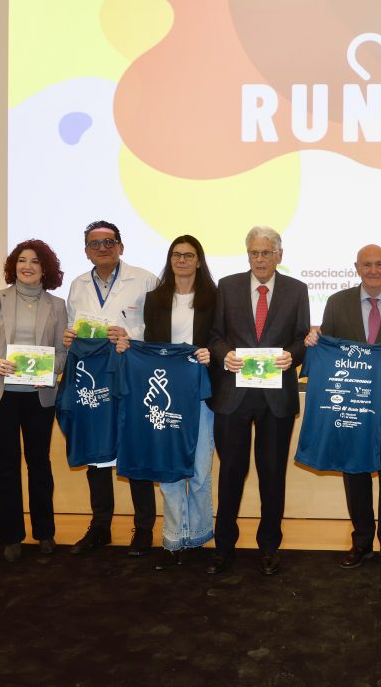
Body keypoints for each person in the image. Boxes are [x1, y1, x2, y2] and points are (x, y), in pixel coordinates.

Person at [307, 244, 381, 569]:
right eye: (367, 264)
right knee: (355, 476)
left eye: (379, 264)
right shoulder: (336, 303)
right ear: (356, 267)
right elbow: (328, 349)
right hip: (351, 409)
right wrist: (314, 342)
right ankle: (361, 542)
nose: (373, 270)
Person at [207, 226, 310, 576]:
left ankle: (269, 546)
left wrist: (292, 356)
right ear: (248, 254)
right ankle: (224, 546)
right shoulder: (227, 286)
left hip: (276, 398)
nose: (260, 259)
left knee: (272, 475)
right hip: (233, 396)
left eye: (267, 252)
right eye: (254, 253)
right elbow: (215, 336)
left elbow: (302, 339)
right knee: (230, 474)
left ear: (279, 255)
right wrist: (225, 355)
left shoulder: (297, 290)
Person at [61, 221, 159, 556]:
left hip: (132, 375)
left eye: (109, 241)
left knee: (135, 449)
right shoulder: (77, 285)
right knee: (97, 453)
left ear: (121, 246)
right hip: (94, 379)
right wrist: (69, 336)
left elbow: (158, 327)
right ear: (86, 251)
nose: (102, 248)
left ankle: (143, 529)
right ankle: (100, 527)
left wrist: (131, 334)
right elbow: (73, 326)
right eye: (95, 243)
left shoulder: (145, 280)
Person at [0, 240, 68, 563]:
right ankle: (11, 536)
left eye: (35, 261)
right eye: (22, 260)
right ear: (14, 265)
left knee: (40, 463)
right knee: (7, 465)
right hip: (1, 396)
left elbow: (63, 353)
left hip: (39, 397)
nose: (28, 266)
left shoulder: (57, 305)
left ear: (45, 269)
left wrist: (49, 370)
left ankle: (45, 533)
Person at [142, 235, 217, 569]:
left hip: (201, 393)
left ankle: (198, 535)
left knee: (200, 469)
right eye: (176, 254)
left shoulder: (215, 298)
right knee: (170, 468)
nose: (182, 260)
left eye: (188, 255)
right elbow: (148, 344)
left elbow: (221, 341)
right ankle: (174, 538)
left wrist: (211, 354)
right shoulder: (155, 299)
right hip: (166, 394)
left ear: (199, 261)